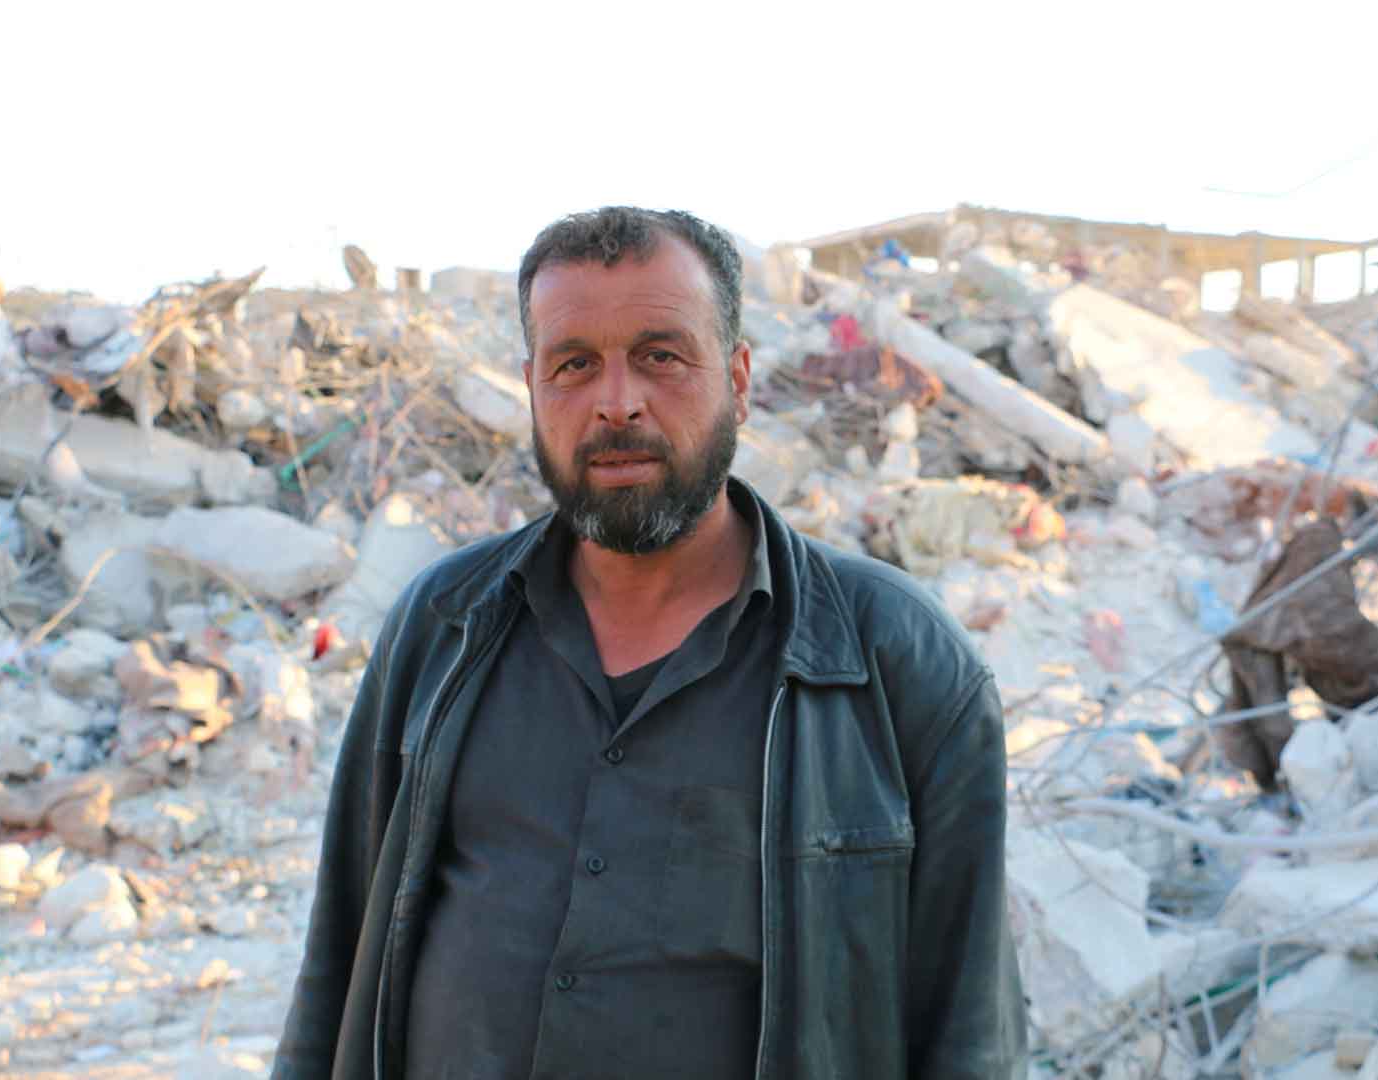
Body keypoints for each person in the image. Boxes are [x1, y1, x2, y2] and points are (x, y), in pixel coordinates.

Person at [273, 207, 1026, 1079]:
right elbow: (340, 950)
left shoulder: (894, 656)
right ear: (532, 389)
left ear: (738, 380)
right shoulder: (444, 623)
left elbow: (969, 1026)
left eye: (661, 357)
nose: (617, 401)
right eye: (574, 364)